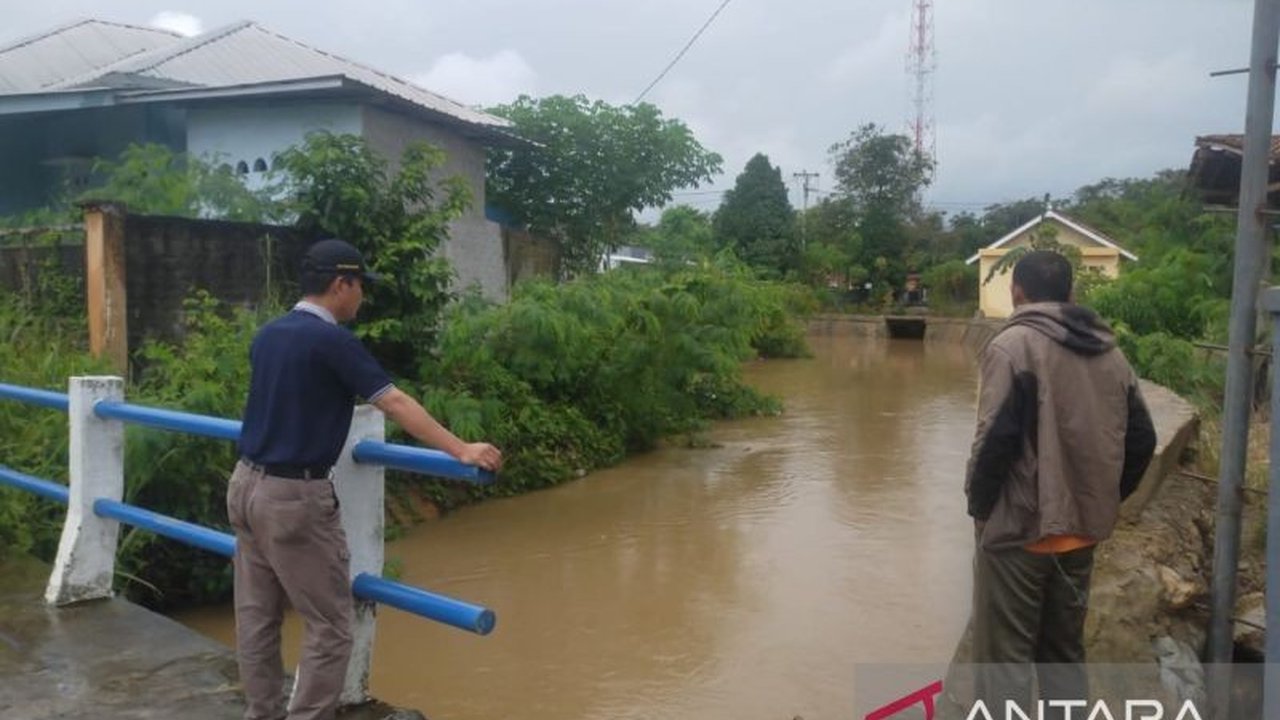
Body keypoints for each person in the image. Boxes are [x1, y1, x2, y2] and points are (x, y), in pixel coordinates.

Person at [227, 238, 503, 720]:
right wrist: (462, 449)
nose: (362, 298)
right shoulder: (332, 341)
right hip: (294, 497)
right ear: (341, 284)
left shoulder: (269, 334)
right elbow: (393, 402)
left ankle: (263, 713)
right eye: (360, 287)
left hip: (246, 484)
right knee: (331, 626)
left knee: (257, 616)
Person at [965, 250, 1156, 712]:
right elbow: (1143, 438)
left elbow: (994, 442)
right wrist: (1102, 500)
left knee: (1003, 666)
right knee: (1064, 659)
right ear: (1071, 294)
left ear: (1016, 293)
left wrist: (981, 512)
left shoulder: (1013, 347)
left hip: (1021, 535)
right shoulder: (1110, 352)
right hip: (1081, 536)